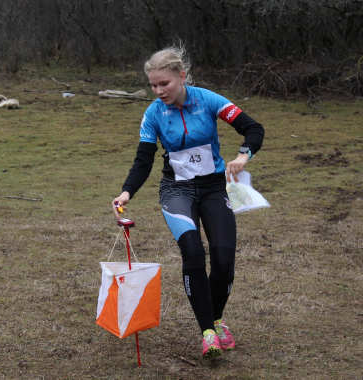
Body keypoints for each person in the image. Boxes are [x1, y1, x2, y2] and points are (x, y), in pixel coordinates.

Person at [111, 45, 264, 360]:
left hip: (214, 188)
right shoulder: (153, 113)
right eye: (153, 85)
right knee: (193, 251)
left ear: (181, 77)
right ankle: (207, 332)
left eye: (164, 84)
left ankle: (217, 318)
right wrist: (127, 192)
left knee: (223, 259)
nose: (158, 91)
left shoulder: (208, 100)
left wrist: (242, 155)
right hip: (176, 191)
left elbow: (253, 128)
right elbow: (143, 160)